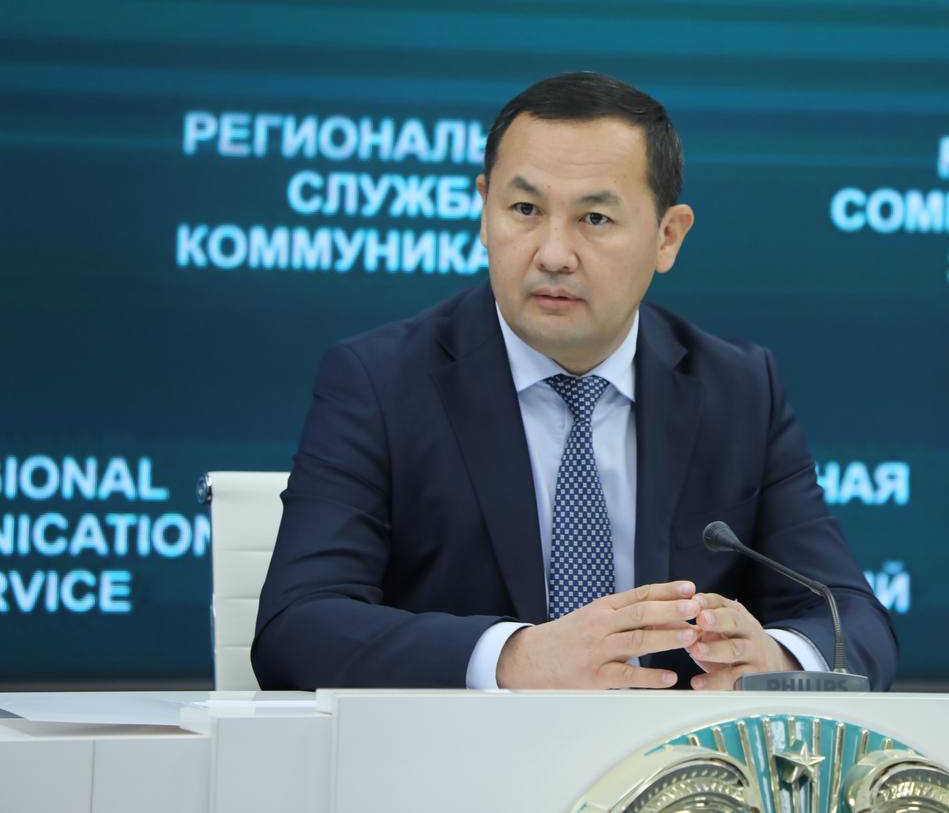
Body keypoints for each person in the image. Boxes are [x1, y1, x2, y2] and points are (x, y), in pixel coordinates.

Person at [252, 72, 898, 691]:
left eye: (594, 219)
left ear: (667, 236)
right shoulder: (381, 382)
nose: (554, 253)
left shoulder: (738, 390)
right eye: (524, 209)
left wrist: (776, 659)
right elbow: (297, 626)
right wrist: (512, 657)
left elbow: (852, 620)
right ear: (484, 211)